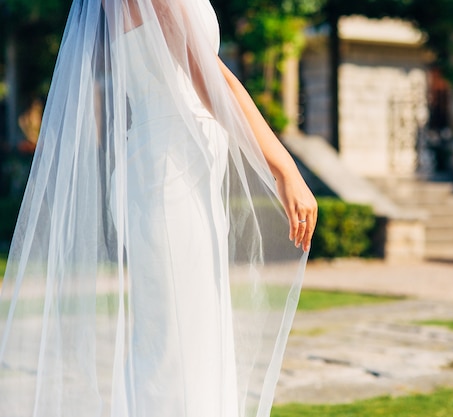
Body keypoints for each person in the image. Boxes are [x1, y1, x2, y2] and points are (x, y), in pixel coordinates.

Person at [0, 0, 316, 416]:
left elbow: (212, 73)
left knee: (193, 334)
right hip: (170, 173)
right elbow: (208, 76)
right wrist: (283, 166)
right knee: (175, 345)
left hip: (186, 169)